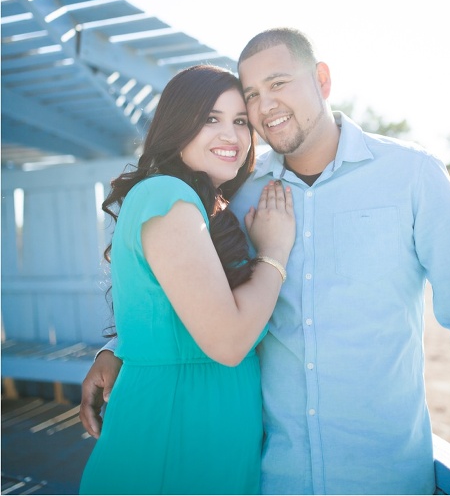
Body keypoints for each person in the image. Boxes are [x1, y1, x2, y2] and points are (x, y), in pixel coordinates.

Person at [81, 29, 450, 495]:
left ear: (322, 79)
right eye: (251, 94)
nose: (264, 104)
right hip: (268, 475)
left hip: (382, 475)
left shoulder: (412, 175)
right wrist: (119, 347)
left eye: (278, 83)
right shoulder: (232, 193)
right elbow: (181, 290)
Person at [79, 64, 295, 495]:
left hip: (204, 429)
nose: (230, 136)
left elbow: (162, 312)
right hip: (176, 432)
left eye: (240, 122)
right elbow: (229, 343)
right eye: (210, 119)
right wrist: (274, 252)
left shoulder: (198, 203)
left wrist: (113, 346)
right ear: (179, 124)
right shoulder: (167, 196)